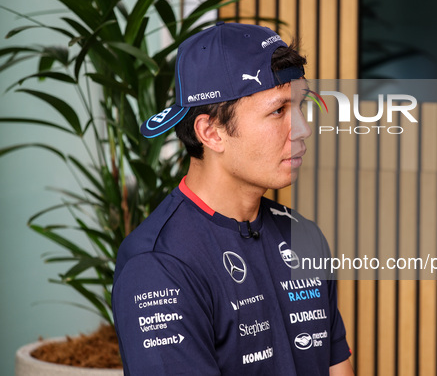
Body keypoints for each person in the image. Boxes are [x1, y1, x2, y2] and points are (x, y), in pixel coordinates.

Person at [112, 21, 353, 375]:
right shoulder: (158, 266)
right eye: (279, 111)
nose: (303, 128)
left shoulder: (303, 236)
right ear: (211, 132)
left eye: (300, 106)